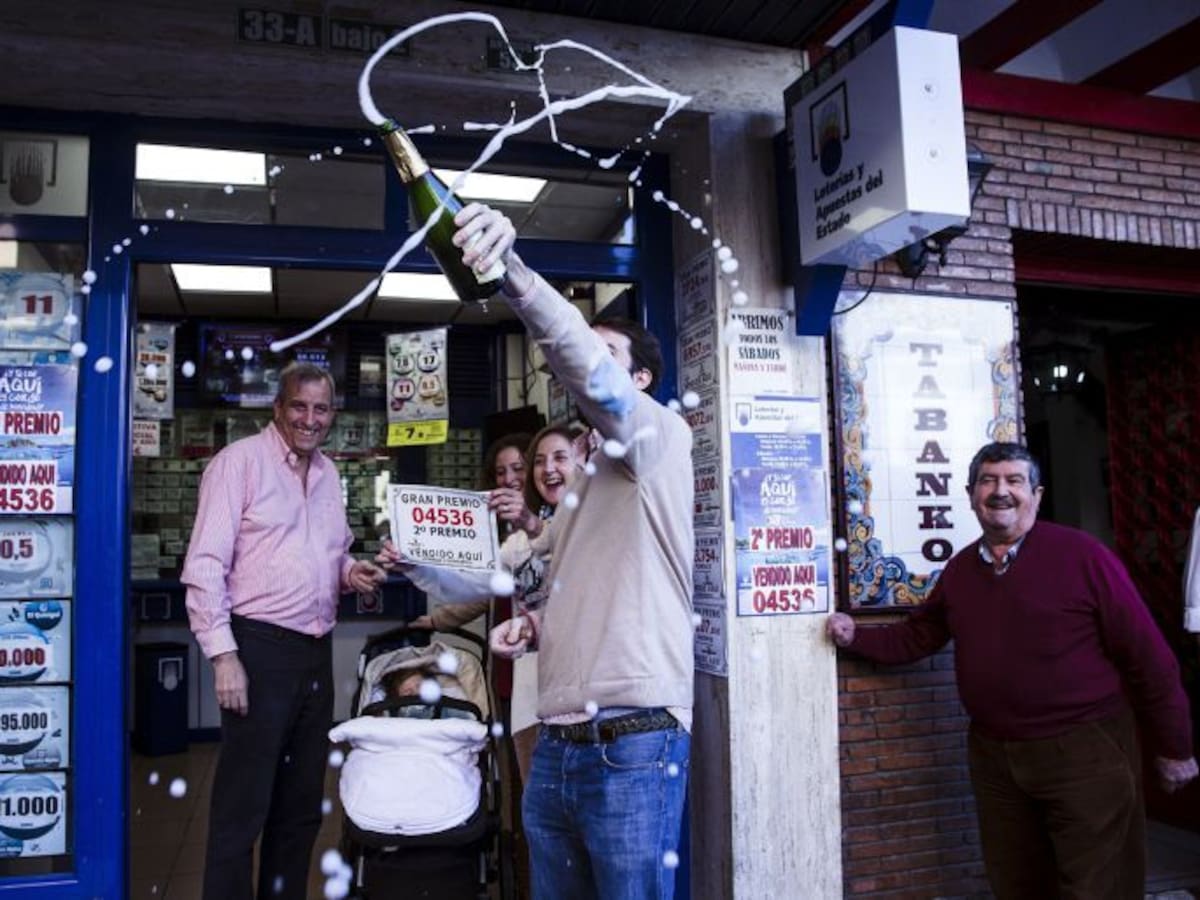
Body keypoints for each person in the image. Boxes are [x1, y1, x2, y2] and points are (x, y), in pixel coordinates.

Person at [826, 441, 1198, 900]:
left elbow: (1148, 657)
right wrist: (854, 637)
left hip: (1085, 748)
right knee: (1016, 883)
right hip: (995, 757)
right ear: (971, 495)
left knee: (1099, 885)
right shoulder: (961, 570)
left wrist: (1175, 746)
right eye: (988, 481)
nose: (1000, 491)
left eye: (1014, 480)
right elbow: (917, 636)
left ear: (1036, 495)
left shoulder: (1083, 557)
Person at [453, 202, 696, 900]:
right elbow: (576, 588)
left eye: (605, 354)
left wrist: (513, 275)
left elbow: (584, 367)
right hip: (560, 741)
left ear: (638, 381)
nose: (584, 365)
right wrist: (534, 625)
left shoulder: (656, 435)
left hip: (632, 738)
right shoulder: (582, 483)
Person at [182, 361, 386, 900]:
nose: (309, 419)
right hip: (258, 651)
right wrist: (224, 657)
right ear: (278, 408)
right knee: (242, 808)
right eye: (299, 406)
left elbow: (332, 555)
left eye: (321, 409)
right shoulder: (238, 464)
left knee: (298, 810)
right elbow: (204, 565)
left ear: (332, 415)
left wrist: (352, 573)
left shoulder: (329, 475)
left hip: (315, 654)